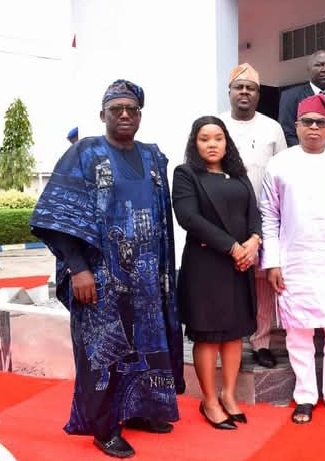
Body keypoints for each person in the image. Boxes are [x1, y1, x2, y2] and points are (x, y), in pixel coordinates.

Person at [30, 79, 183, 458]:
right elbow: (57, 216)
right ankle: (104, 426)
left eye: (132, 109)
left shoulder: (152, 156)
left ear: (140, 115)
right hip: (100, 277)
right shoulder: (86, 153)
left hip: (147, 276)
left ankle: (142, 409)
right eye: (117, 109)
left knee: (147, 344)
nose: (125, 114)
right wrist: (77, 268)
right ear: (103, 115)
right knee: (104, 351)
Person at [260, 94, 325, 424]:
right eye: (307, 122)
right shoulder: (280, 164)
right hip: (295, 260)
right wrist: (272, 262)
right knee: (298, 332)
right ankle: (305, 396)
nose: (313, 128)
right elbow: (269, 215)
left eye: (320, 123)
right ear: (296, 126)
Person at [173, 116, 262, 430]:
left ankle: (229, 395)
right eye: (204, 139)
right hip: (206, 266)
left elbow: (254, 212)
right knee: (209, 335)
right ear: (195, 143)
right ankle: (209, 400)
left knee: (235, 333)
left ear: (227, 142)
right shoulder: (186, 174)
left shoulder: (238, 174)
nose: (212, 144)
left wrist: (254, 241)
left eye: (218, 138)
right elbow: (189, 217)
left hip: (240, 264)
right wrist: (233, 248)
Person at [219, 63, 287, 369]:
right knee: (227, 282)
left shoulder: (272, 128)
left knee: (262, 284)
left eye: (251, 88)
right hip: (224, 218)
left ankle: (261, 342)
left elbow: (282, 173)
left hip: (263, 218)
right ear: (229, 92)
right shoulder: (217, 125)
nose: (244, 92)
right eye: (239, 87)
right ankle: (228, 341)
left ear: (258, 94)